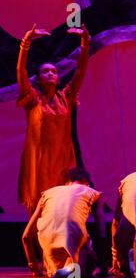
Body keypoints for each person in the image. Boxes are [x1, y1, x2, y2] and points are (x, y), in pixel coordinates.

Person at [16, 23, 91, 216]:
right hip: (39, 160)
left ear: (58, 79)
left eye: (54, 72)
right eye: (45, 71)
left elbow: (80, 72)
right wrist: (25, 44)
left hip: (63, 159)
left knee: (63, 209)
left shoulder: (66, 97)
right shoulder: (32, 98)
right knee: (37, 212)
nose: (50, 73)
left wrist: (85, 44)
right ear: (39, 79)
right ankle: (34, 245)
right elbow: (21, 73)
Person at [22, 168, 107, 278]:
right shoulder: (91, 192)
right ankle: (73, 270)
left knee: (56, 264)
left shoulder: (48, 193)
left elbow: (26, 236)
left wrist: (34, 268)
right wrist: (104, 269)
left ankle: (61, 270)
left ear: (67, 183)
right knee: (89, 260)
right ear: (87, 183)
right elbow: (102, 233)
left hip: (47, 240)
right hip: (73, 234)